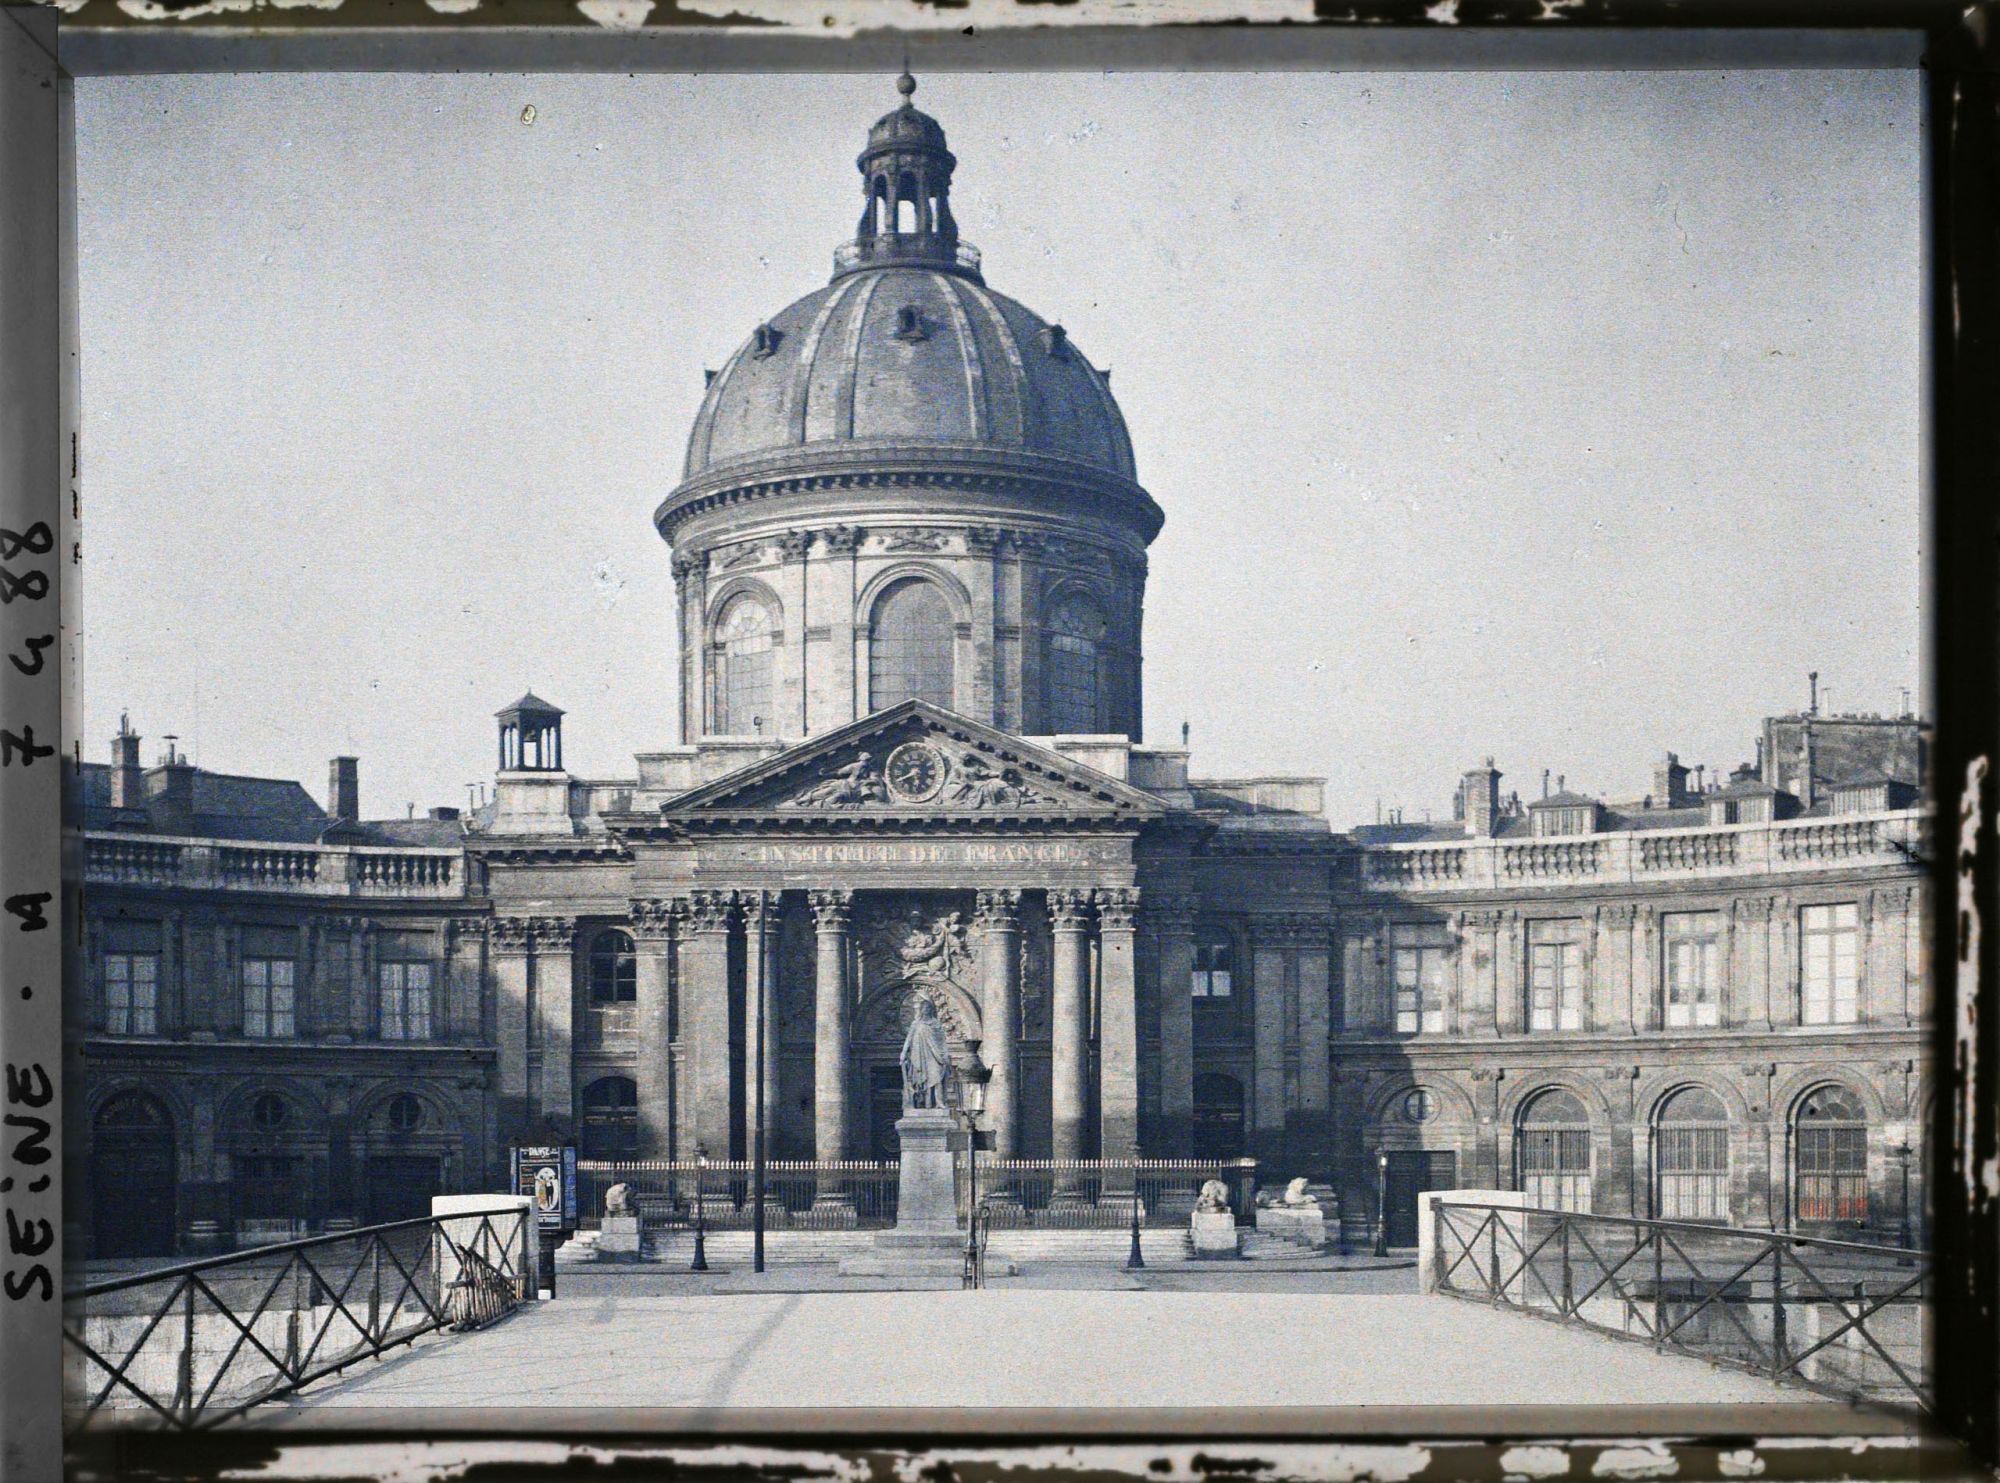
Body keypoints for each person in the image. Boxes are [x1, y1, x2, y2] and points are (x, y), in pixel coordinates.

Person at [899, 996, 951, 1109]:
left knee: (936, 1077)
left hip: (935, 1055)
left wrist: (945, 1054)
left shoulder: (936, 1024)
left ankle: (939, 1102)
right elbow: (909, 1039)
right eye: (924, 1008)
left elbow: (942, 1041)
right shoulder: (916, 1023)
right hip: (919, 1055)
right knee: (921, 1080)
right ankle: (924, 1104)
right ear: (921, 1010)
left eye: (928, 1008)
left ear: (931, 1010)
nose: (926, 1010)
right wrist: (903, 1053)